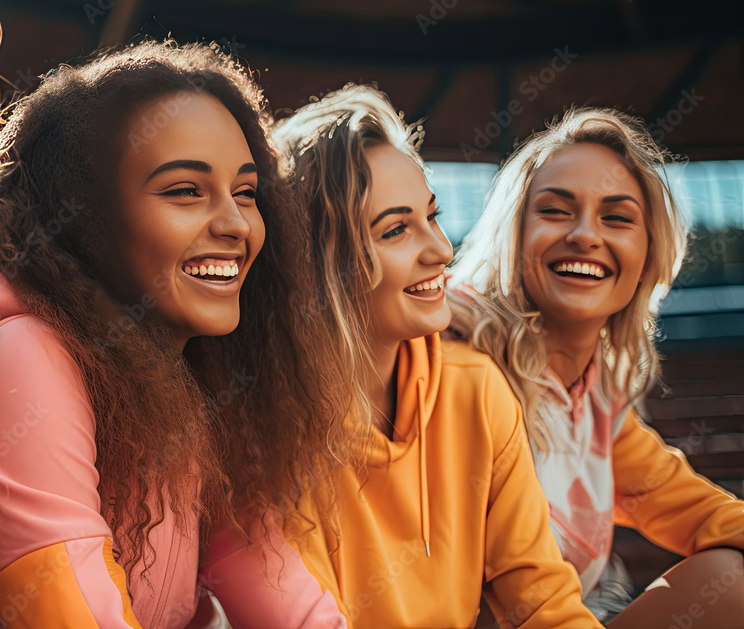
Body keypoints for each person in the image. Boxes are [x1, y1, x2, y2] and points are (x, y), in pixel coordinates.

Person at [200, 85, 602, 628]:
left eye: (431, 216)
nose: (440, 249)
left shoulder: (476, 391)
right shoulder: (263, 433)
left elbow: (544, 604)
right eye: (396, 230)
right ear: (318, 266)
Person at [0, 40, 277, 628]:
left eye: (246, 193)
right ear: (86, 217)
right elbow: (69, 605)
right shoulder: (25, 356)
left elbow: (271, 579)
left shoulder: (196, 379)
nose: (235, 223)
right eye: (185, 190)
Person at [449, 106, 744, 627]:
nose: (586, 235)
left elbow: (692, 507)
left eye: (617, 217)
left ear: (649, 253)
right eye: (556, 210)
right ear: (514, 234)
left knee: (730, 577)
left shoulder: (601, 395)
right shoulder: (455, 360)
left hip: (588, 613)